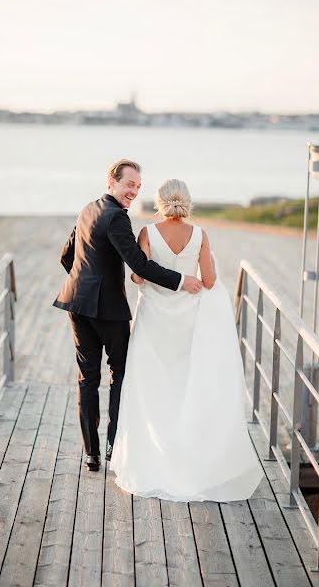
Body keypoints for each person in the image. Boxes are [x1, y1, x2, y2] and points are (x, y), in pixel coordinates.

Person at [109, 179, 264, 501]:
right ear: (187, 201)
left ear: (160, 202)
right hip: (188, 319)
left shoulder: (148, 233)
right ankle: (186, 454)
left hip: (154, 318)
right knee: (184, 383)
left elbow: (139, 275)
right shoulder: (200, 235)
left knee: (151, 385)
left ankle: (153, 456)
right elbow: (208, 280)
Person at [53, 161, 203, 471]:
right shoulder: (117, 219)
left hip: (76, 304)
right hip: (107, 310)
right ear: (112, 181)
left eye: (138, 186)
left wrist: (85, 283)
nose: (134, 191)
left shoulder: (88, 209)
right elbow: (140, 265)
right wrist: (180, 280)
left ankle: (90, 454)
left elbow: (66, 256)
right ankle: (113, 447)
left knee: (87, 378)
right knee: (121, 373)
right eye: (129, 184)